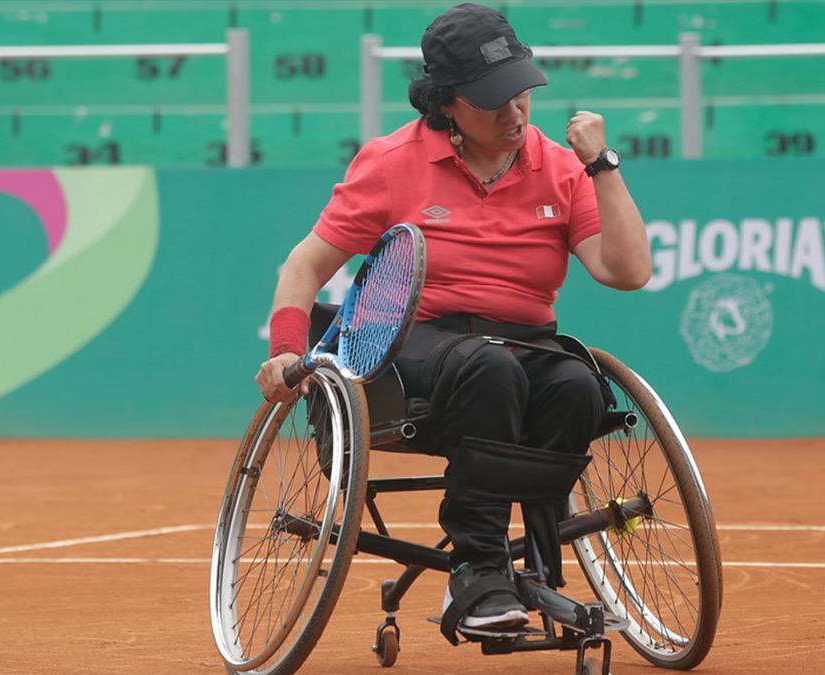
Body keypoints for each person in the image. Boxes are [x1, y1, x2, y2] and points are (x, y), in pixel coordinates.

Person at [255, 2, 651, 633]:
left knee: (576, 384)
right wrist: (283, 348)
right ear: (446, 103)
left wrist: (600, 166)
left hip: (526, 346)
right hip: (415, 351)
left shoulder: (559, 166)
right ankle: (477, 571)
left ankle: (541, 569)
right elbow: (304, 264)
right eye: (493, 98)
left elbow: (627, 272)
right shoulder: (392, 163)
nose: (514, 109)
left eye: (520, 91)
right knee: (487, 366)